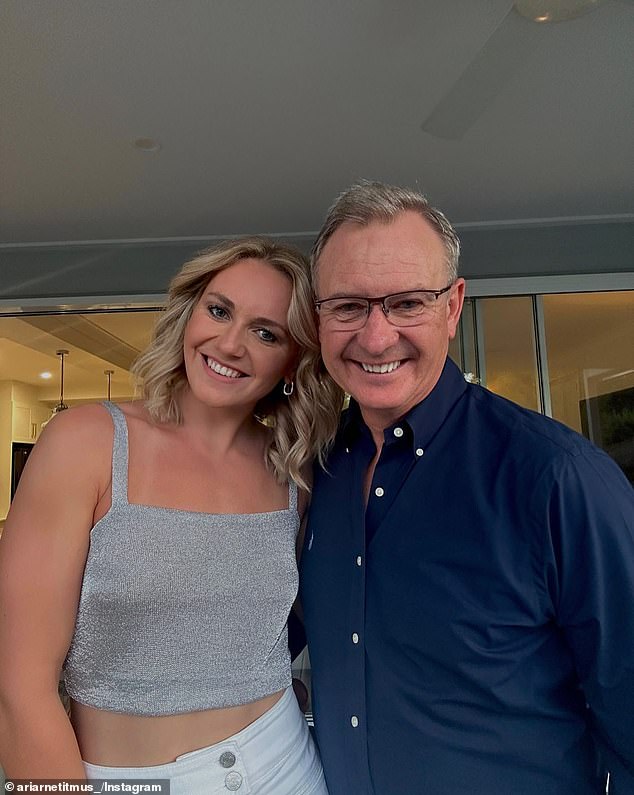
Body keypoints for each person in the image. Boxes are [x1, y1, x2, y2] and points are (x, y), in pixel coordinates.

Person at [300, 181, 634, 795]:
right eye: (347, 306)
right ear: (318, 316)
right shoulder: (316, 472)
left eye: (406, 303)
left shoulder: (557, 480)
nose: (375, 338)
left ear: (453, 307)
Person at [0, 237, 342, 794]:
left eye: (266, 332)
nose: (230, 343)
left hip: (284, 766)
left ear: (293, 361)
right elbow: (18, 689)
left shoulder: (291, 475)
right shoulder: (85, 443)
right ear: (190, 313)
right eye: (219, 310)